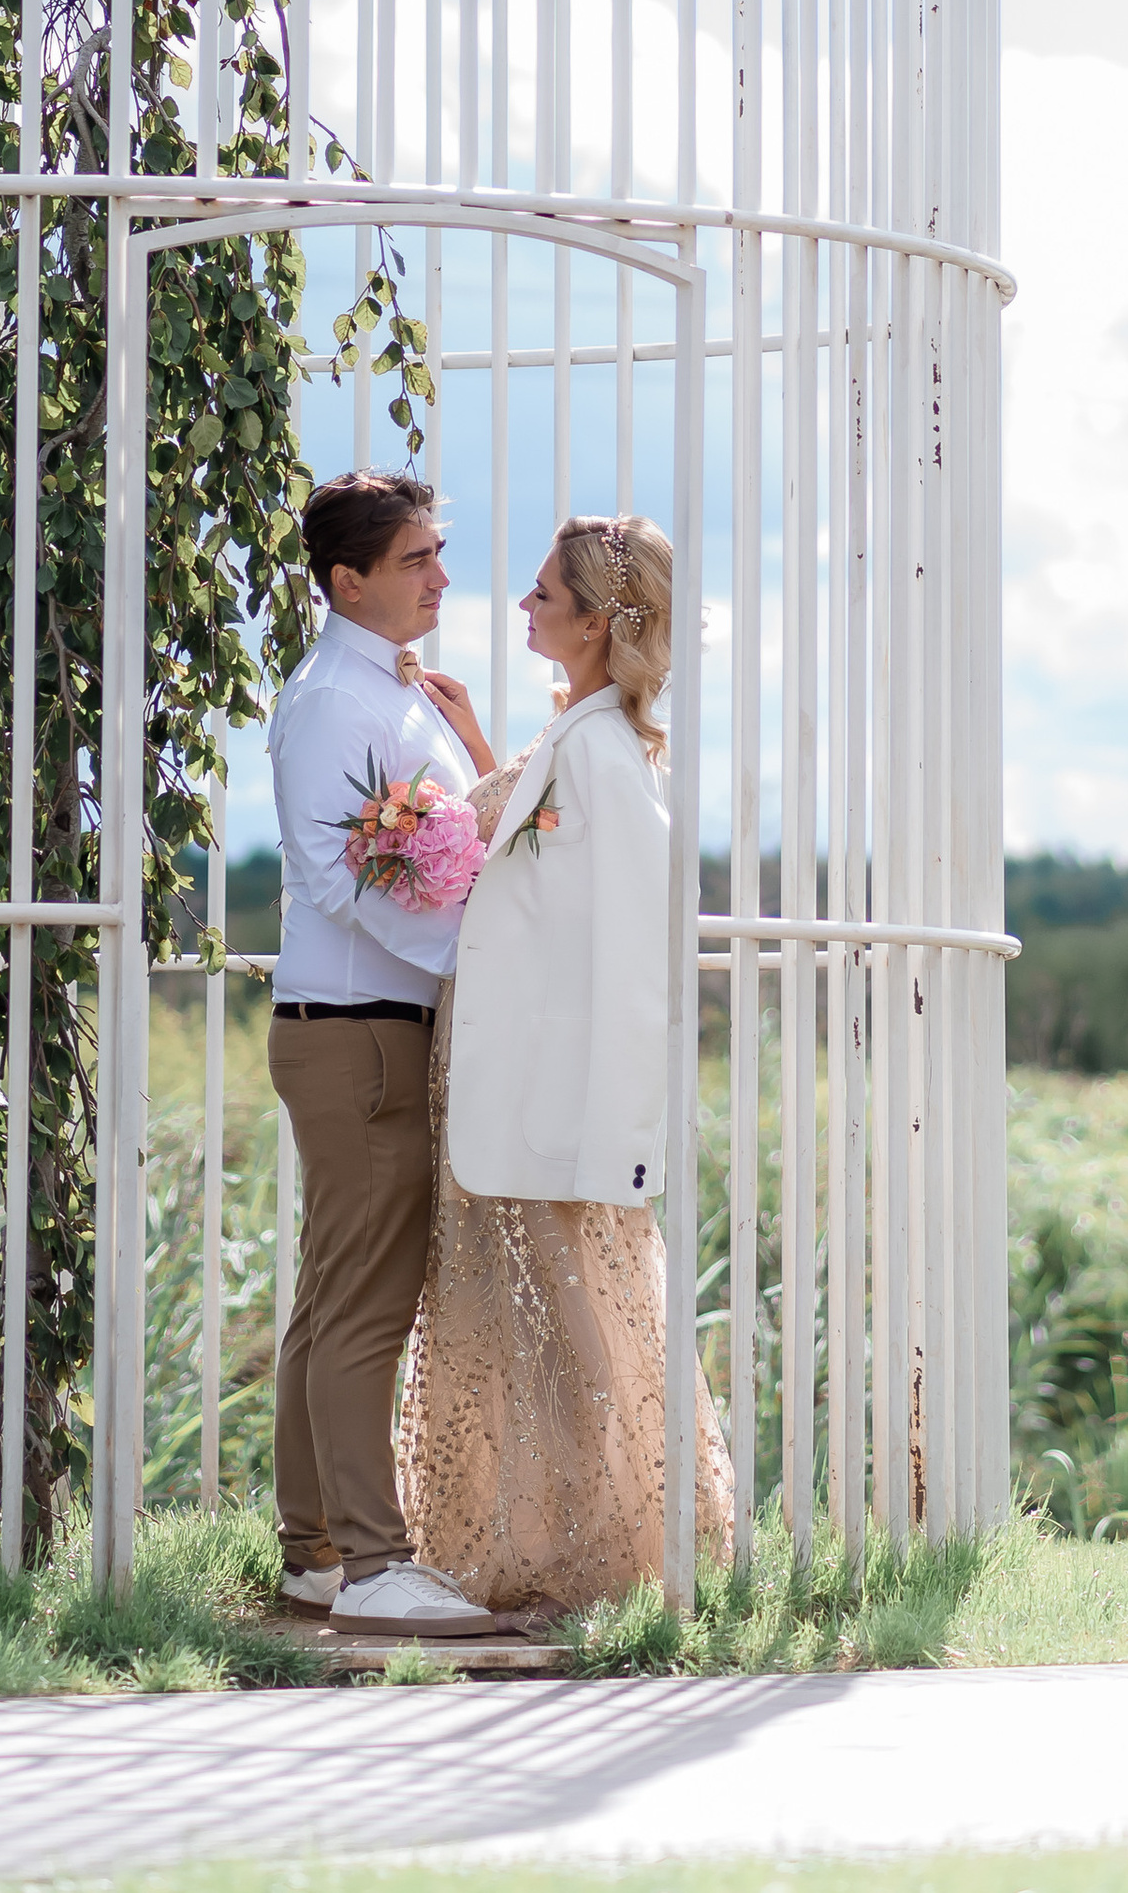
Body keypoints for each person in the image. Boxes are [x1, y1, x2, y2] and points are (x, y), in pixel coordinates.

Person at [397, 514, 733, 1615]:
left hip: (550, 1100)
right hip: (515, 1094)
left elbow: (636, 941)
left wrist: (619, 1120)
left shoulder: (597, 753)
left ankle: (625, 1549)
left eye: (545, 594)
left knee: (572, 1318)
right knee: (544, 1320)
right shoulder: (578, 737)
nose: (526, 605)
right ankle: (585, 1537)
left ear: (595, 621)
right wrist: (489, 758)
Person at [264, 469, 506, 1635]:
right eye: (416, 560)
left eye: (437, 554)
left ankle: (313, 1550)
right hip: (356, 1032)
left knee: (333, 1299)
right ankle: (371, 1564)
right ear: (345, 579)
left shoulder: (392, 693)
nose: (441, 580)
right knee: (365, 1305)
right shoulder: (329, 705)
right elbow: (332, 872)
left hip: (372, 1026)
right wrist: (474, 956)